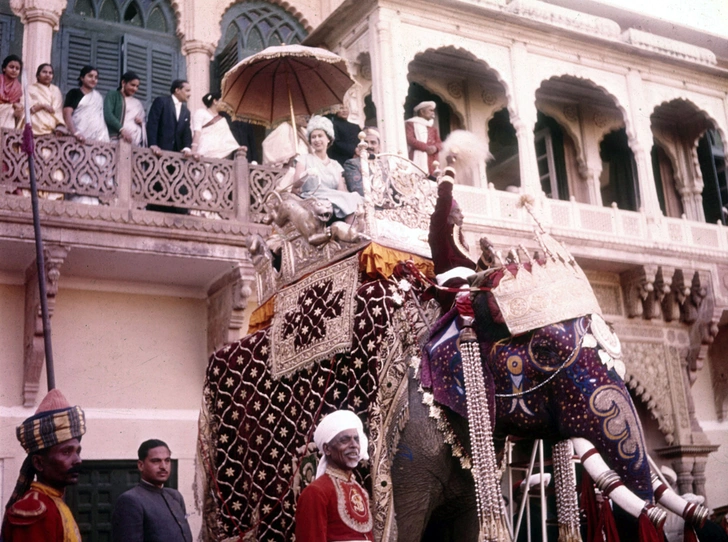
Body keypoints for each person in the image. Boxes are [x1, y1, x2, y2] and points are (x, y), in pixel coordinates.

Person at [2, 389, 86, 541]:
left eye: (77, 452)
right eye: (66, 452)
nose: (77, 460)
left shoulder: (54, 502)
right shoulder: (35, 510)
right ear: (39, 463)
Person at [294, 410, 374, 542]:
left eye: (356, 439)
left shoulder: (360, 490)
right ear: (327, 449)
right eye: (345, 440)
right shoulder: (316, 492)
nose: (354, 445)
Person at [111, 439, 192, 542]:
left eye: (167, 460)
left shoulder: (175, 496)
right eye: (156, 461)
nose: (163, 466)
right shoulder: (131, 500)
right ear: (141, 465)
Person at [293, 115, 362, 223]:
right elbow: (295, 187)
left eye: (320, 136)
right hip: (312, 198)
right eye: (313, 137)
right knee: (351, 199)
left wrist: (349, 197)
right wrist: (306, 174)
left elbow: (341, 190)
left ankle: (351, 232)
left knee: (356, 198)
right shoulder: (303, 159)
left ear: (328, 139)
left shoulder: (335, 165)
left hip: (333, 198)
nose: (317, 140)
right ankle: (350, 233)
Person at [428, 164, 476, 309]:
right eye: (457, 212)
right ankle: (466, 331)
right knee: (467, 298)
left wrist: (487, 258)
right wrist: (450, 170)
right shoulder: (440, 230)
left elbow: (471, 267)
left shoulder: (459, 236)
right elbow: (444, 201)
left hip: (471, 280)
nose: (462, 215)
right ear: (447, 215)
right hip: (452, 282)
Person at [63, 65, 110, 144]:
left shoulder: (98, 97)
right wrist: (75, 133)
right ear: (82, 78)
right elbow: (67, 114)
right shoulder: (74, 93)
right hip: (78, 137)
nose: (93, 79)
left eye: (96, 77)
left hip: (98, 139)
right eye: (90, 76)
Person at [191, 92, 245, 159]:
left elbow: (228, 139)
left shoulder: (223, 119)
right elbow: (197, 132)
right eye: (222, 101)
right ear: (215, 101)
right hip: (203, 152)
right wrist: (193, 151)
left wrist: (238, 148)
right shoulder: (201, 112)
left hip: (218, 157)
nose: (225, 105)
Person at [146, 79, 192, 156]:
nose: (189, 94)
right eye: (187, 91)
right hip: (158, 152)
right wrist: (152, 144)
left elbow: (186, 132)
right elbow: (153, 123)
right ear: (177, 90)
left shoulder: (186, 111)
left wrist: (186, 147)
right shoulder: (161, 102)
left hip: (177, 156)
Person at [104, 71, 146, 145]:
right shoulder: (113, 95)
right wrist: (122, 130)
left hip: (134, 143)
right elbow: (108, 114)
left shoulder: (137, 103)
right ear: (123, 83)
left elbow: (143, 123)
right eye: (132, 85)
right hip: (115, 140)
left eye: (137, 86)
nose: (135, 89)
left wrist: (141, 123)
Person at [25, 63, 66, 136]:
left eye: (50, 73)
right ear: (38, 75)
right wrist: (42, 106)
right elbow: (27, 109)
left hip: (50, 124)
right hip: (33, 123)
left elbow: (56, 110)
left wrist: (60, 125)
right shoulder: (30, 88)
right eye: (44, 72)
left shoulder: (55, 90)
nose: (47, 75)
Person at [405, 100, 442, 175]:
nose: (433, 113)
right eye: (431, 110)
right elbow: (409, 139)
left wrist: (435, 147)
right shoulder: (411, 123)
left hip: (432, 160)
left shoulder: (432, 128)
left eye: (433, 111)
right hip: (416, 157)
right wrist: (425, 147)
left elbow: (439, 143)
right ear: (422, 112)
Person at [343, 127, 382, 197]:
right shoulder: (352, 164)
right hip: (366, 204)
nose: (369, 146)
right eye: (366, 142)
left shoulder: (384, 166)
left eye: (373, 142)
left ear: (379, 147)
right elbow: (359, 190)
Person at [0, 54, 23, 129]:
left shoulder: (18, 88)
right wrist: (13, 104)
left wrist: (17, 109)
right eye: (11, 67)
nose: (14, 70)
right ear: (4, 69)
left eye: (17, 68)